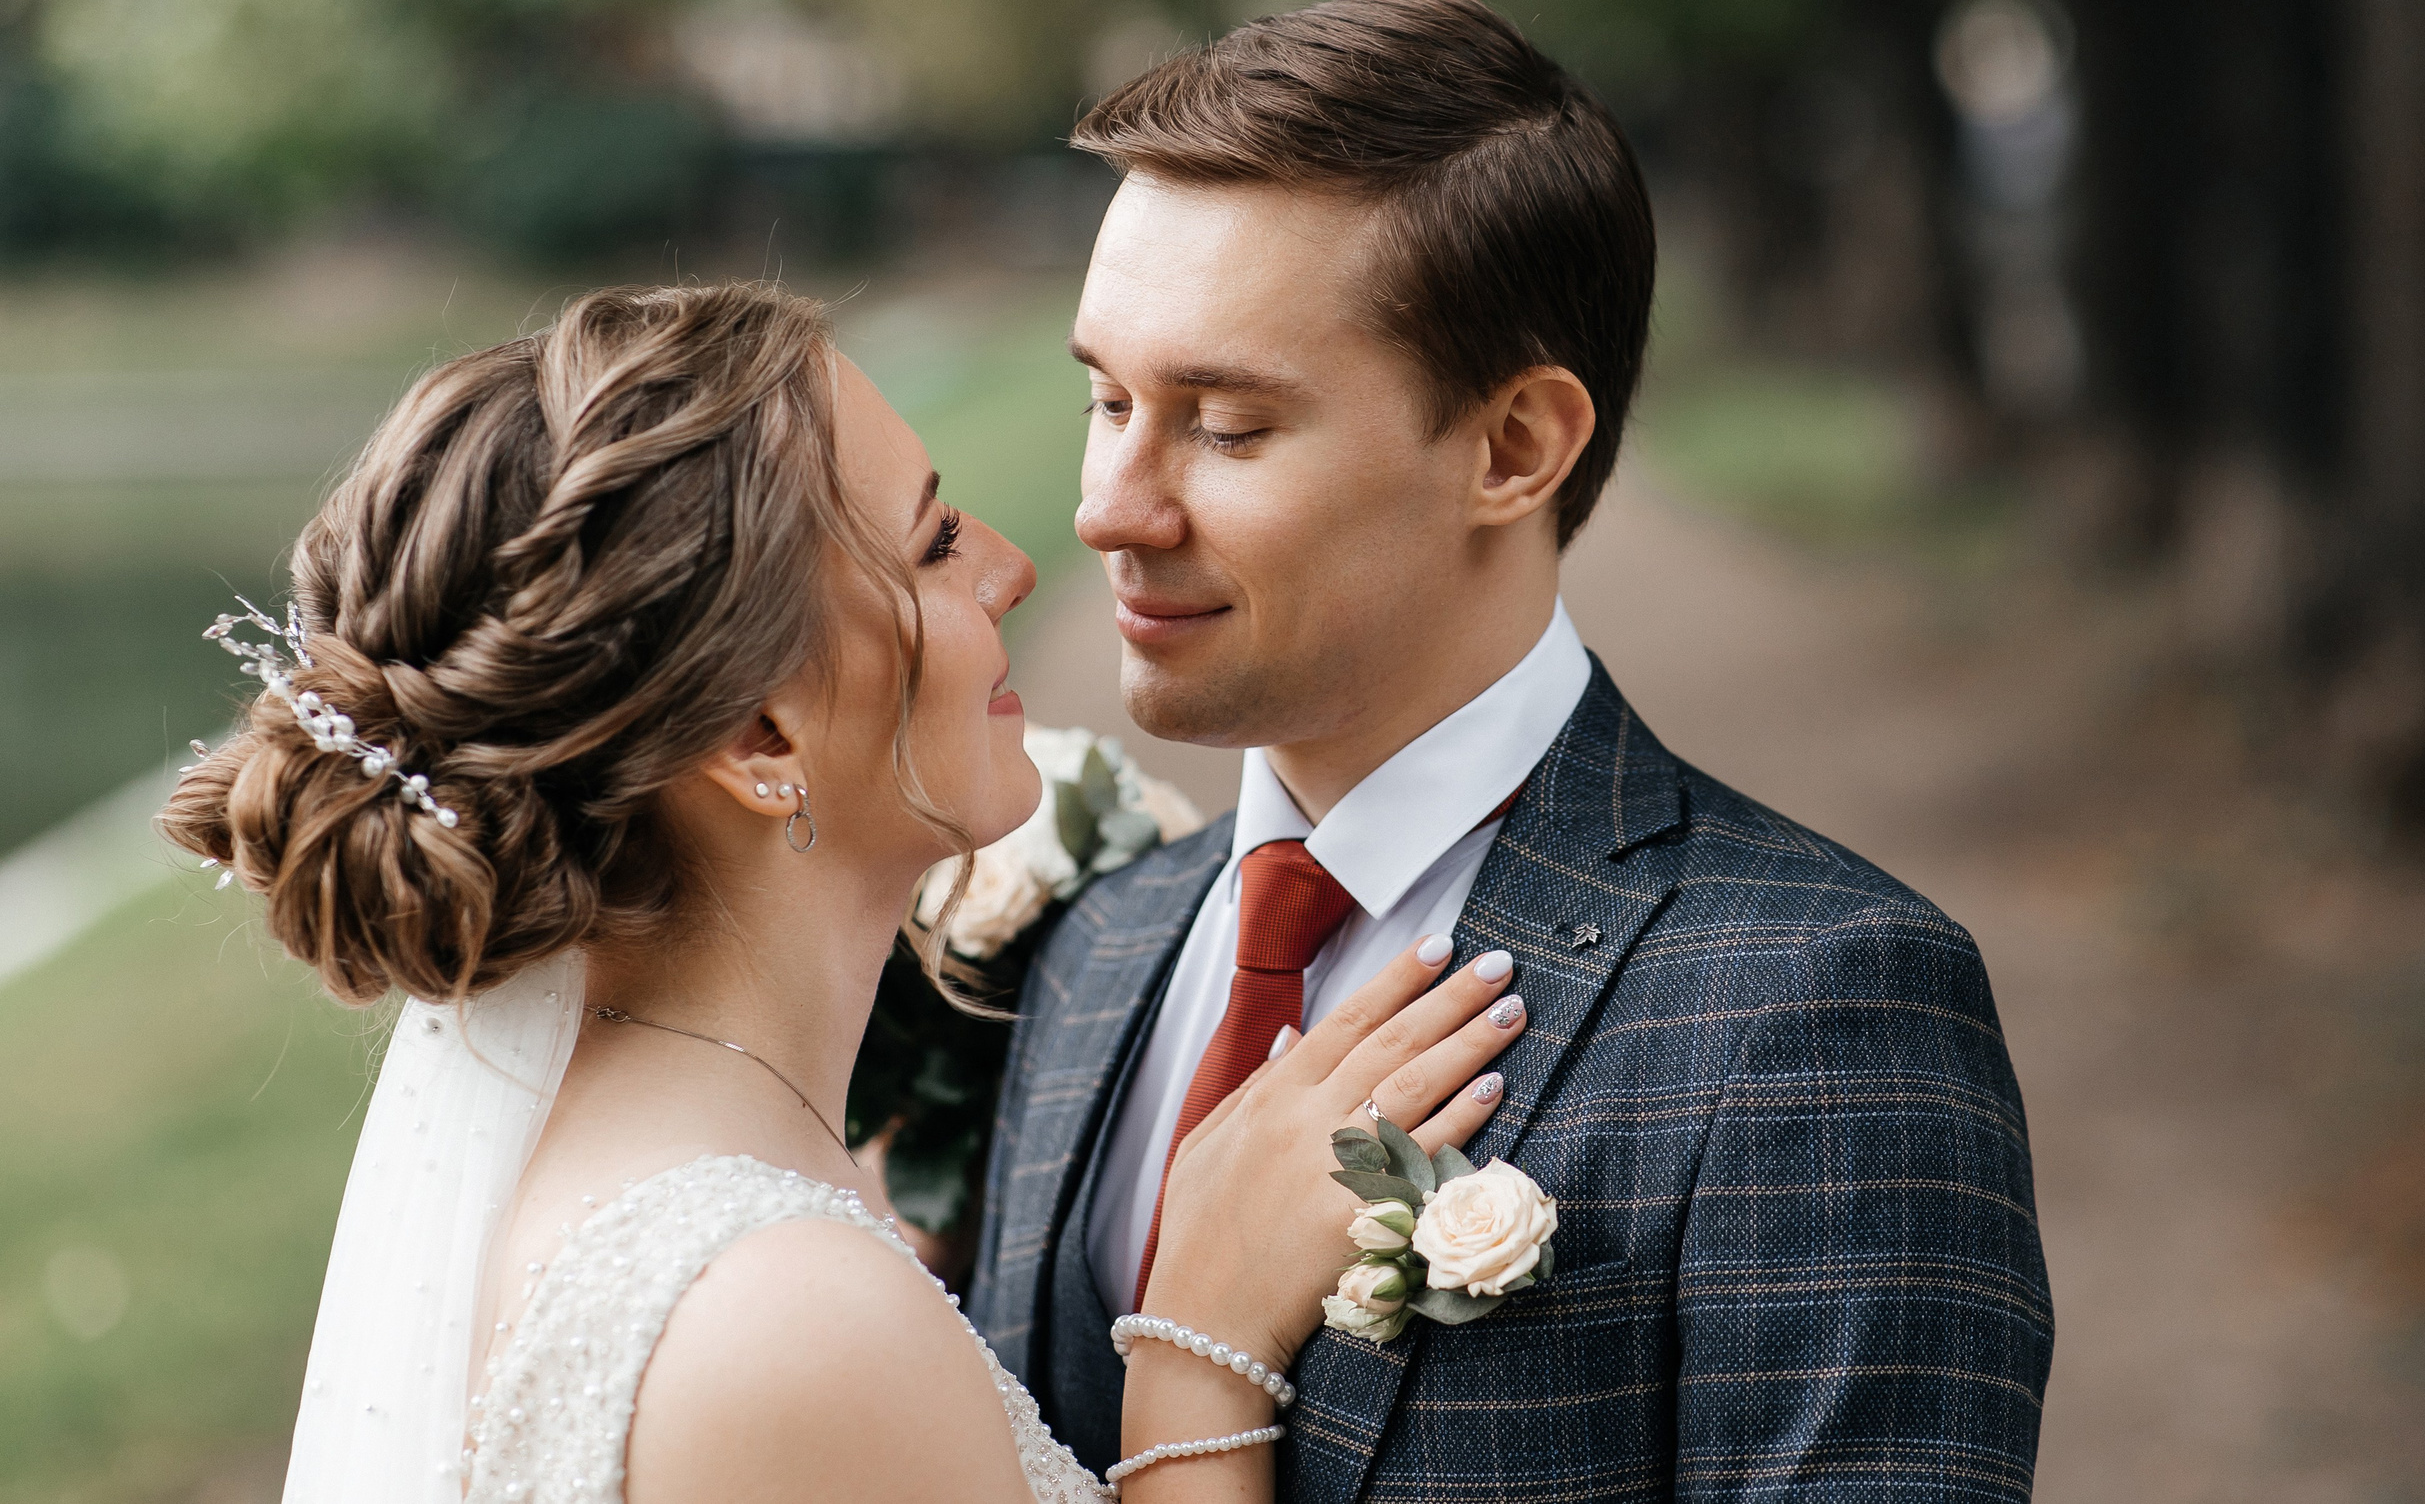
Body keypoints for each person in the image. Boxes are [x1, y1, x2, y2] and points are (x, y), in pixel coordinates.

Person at [158, 282, 1535, 1502]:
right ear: (759, 741)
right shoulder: (781, 1317)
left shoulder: (682, 1191)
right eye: (934, 542)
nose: (1011, 566)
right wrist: (1197, 1363)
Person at [971, 0, 2056, 1500]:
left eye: (1225, 427)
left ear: (1514, 447)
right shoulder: (1094, 951)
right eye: (1106, 401)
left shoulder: (1814, 1008)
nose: (1110, 511)